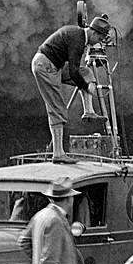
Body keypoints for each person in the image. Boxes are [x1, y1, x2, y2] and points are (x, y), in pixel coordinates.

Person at [31, 17, 111, 163]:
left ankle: (88, 110)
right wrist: (87, 86)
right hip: (45, 66)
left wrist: (86, 82)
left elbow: (77, 71)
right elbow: (74, 72)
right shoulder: (78, 40)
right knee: (57, 108)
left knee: (86, 72)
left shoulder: (77, 35)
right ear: (94, 33)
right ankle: (58, 153)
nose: (97, 42)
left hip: (55, 65)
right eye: (99, 39)